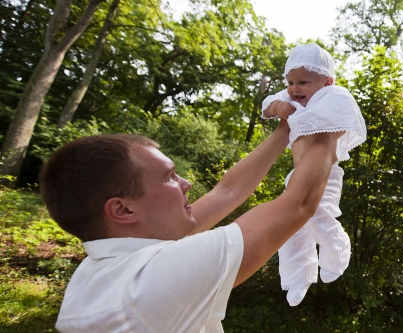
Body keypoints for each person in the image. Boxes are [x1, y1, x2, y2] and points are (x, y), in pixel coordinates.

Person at [40, 119, 343, 332]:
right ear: (123, 209)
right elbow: (297, 205)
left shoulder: (103, 267)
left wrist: (285, 130)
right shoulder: (147, 283)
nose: (186, 183)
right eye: (169, 176)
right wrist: (328, 126)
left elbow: (227, 192)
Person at [261, 43, 366, 306]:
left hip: (326, 176)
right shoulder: (291, 100)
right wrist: (278, 108)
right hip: (297, 174)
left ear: (327, 82)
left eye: (303, 82)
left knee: (316, 214)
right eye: (290, 82)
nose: (295, 89)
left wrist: (304, 119)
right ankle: (298, 277)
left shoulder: (335, 96)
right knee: (292, 225)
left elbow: (347, 119)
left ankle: (337, 247)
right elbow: (265, 106)